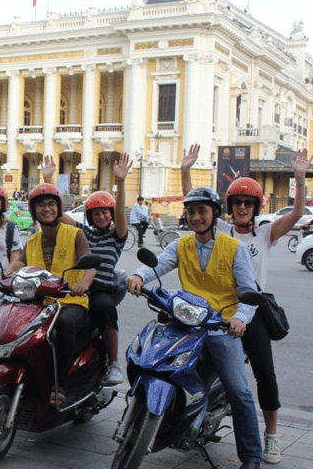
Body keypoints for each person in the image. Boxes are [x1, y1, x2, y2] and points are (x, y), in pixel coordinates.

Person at [182, 144, 312, 464]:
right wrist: (186, 171)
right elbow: (195, 207)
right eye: (237, 202)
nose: (242, 207)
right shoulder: (221, 229)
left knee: (265, 374)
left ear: (255, 206)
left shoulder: (265, 234)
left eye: (248, 202)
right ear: (229, 206)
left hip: (252, 311)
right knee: (195, 365)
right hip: (218, 309)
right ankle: (189, 419)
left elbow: (296, 213)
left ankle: (271, 436)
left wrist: (298, 177)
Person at [126, 187, 263, 469]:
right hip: (184, 323)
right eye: (191, 211)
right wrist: (139, 275)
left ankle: (251, 456)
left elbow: (250, 292)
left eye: (202, 211)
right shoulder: (180, 245)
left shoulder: (235, 249)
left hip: (219, 328)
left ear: (215, 214)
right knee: (148, 360)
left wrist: (240, 318)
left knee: (239, 390)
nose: (196, 217)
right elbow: (159, 265)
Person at [40, 154, 131, 386]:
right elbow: (57, 214)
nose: (102, 216)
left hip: (99, 288)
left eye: (105, 212)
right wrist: (48, 179)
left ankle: (114, 364)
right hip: (76, 288)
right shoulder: (84, 233)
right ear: (89, 216)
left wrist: (120, 183)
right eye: (97, 212)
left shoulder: (116, 237)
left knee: (105, 307)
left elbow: (121, 217)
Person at [4, 183, 96, 382]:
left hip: (70, 301)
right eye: (41, 205)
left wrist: (84, 285)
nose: (47, 209)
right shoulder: (33, 240)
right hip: (39, 302)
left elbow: (89, 264)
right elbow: (20, 261)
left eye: (51, 204)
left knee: (64, 324)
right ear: (34, 211)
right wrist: (4, 276)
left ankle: (59, 383)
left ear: (59, 208)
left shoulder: (75, 234)